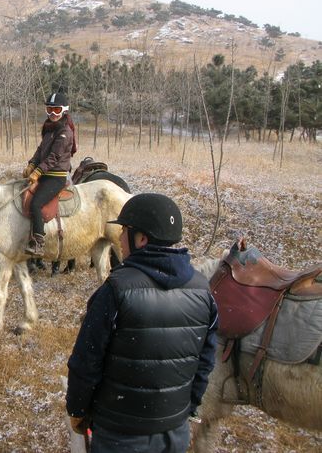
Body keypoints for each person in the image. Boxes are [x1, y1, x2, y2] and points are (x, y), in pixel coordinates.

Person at [65, 193, 218, 453]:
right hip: (175, 433)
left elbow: (86, 361)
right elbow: (205, 363)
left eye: (124, 230)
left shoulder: (115, 290)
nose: (120, 238)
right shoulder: (203, 290)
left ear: (141, 239)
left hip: (119, 434)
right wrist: (186, 410)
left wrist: (78, 410)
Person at [22, 92, 77, 256]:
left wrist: (38, 171)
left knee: (36, 204)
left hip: (56, 177)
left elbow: (54, 157)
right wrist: (32, 163)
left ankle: (38, 242)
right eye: (49, 109)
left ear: (64, 111)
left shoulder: (65, 132)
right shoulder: (49, 130)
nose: (53, 114)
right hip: (44, 174)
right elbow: (41, 151)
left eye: (56, 110)